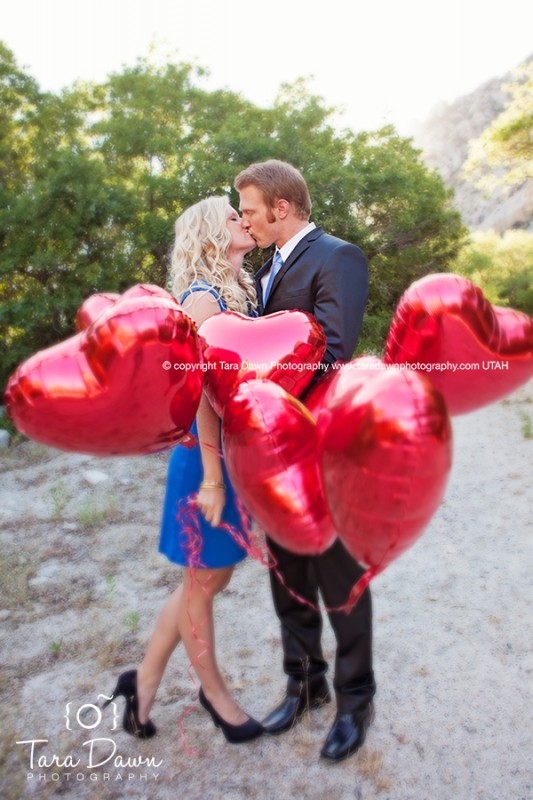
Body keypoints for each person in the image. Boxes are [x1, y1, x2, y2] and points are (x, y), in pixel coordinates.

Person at [104, 196, 263, 745]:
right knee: (202, 580)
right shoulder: (201, 297)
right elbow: (200, 395)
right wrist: (215, 479)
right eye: (231, 213)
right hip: (204, 458)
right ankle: (214, 694)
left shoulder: (242, 289)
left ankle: (141, 681)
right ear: (208, 233)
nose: (244, 218)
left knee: (211, 576)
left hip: (233, 454)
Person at [235, 160, 375, 762]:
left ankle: (355, 699)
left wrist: (266, 392)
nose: (245, 220)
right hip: (271, 446)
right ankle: (305, 685)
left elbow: (334, 354)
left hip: (317, 440)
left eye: (249, 210)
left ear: (282, 208)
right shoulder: (267, 267)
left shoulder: (337, 256)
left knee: (337, 574)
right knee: (286, 570)